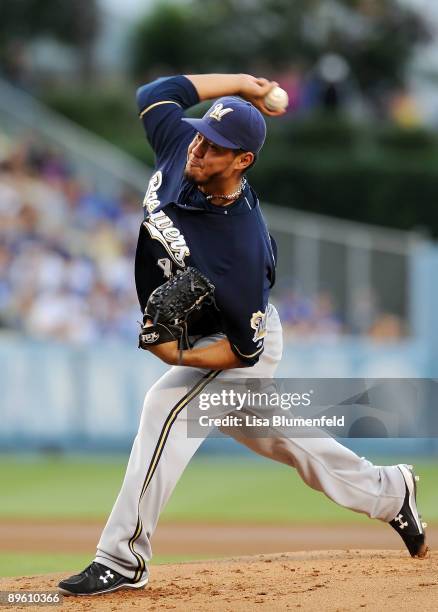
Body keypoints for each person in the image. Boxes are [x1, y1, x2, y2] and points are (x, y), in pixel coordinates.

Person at [58, 74, 427, 596]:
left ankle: (121, 558)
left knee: (166, 407)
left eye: (217, 148)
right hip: (214, 334)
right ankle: (392, 493)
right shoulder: (182, 143)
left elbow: (242, 349)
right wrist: (243, 85)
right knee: (276, 436)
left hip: (235, 344)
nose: (200, 149)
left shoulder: (240, 246)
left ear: (243, 162)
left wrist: (175, 352)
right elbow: (155, 95)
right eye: (203, 136)